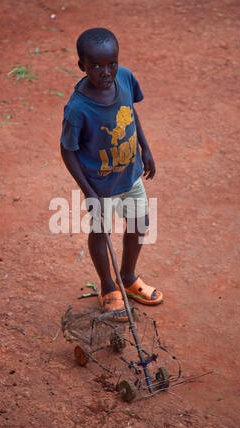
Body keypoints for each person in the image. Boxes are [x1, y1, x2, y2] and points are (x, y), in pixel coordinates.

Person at [60, 28, 163, 321]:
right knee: (101, 231)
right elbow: (67, 150)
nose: (105, 72)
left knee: (139, 223)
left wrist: (145, 147)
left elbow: (130, 111)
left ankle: (128, 278)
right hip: (100, 186)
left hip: (130, 176)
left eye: (111, 64)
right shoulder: (78, 108)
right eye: (95, 66)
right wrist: (88, 191)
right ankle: (108, 287)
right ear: (82, 65)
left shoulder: (126, 78)